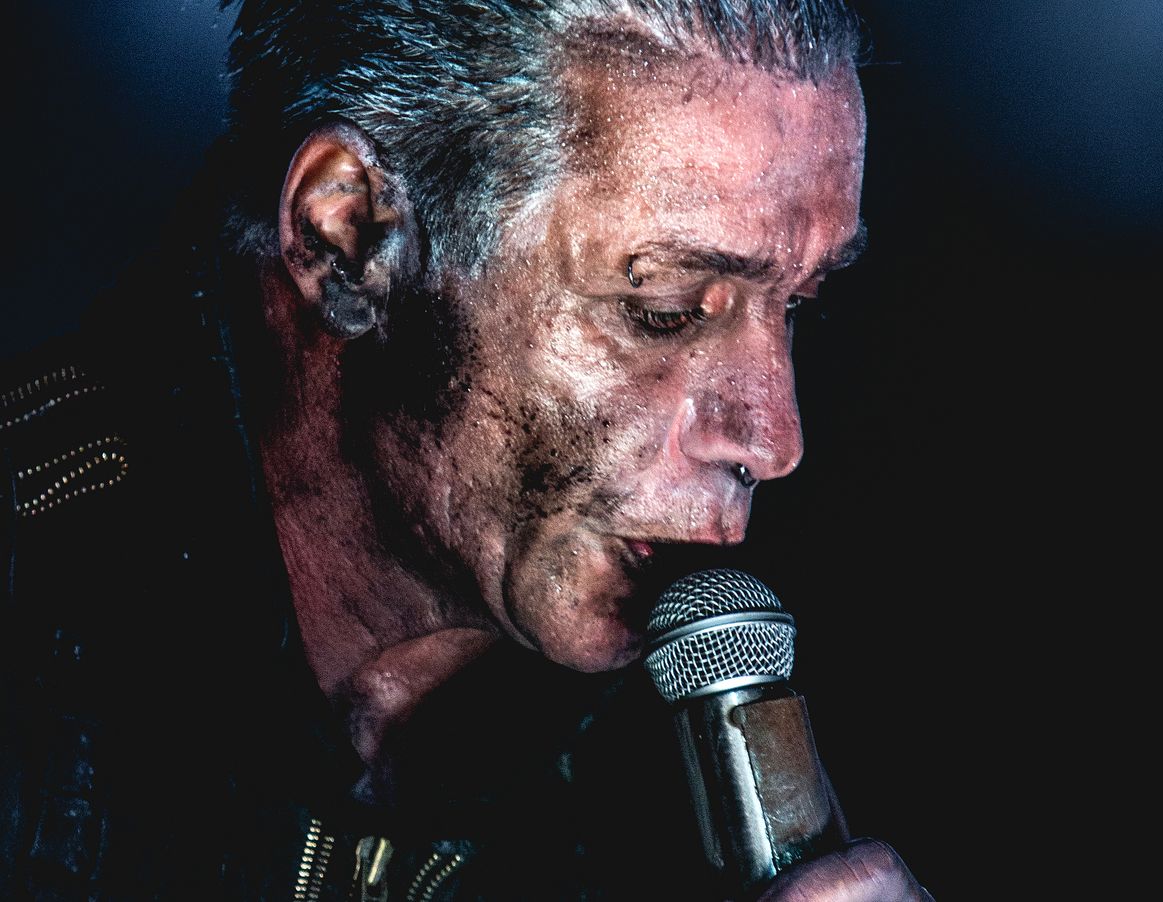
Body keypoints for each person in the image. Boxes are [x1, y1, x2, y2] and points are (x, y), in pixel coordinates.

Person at [1, 1, 930, 898]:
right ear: (348, 236)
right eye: (664, 309)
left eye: (797, 306)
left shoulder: (697, 762)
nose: (774, 438)